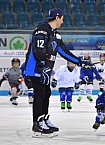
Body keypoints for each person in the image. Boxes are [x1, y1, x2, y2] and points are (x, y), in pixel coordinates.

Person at [23, 8, 81, 137]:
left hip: (45, 70)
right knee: (40, 94)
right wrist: (43, 67)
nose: (63, 21)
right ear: (57, 17)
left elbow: (64, 51)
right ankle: (37, 124)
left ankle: (43, 119)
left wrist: (79, 61)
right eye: (62, 18)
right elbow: (38, 50)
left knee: (46, 93)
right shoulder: (42, 29)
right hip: (35, 69)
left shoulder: (55, 34)